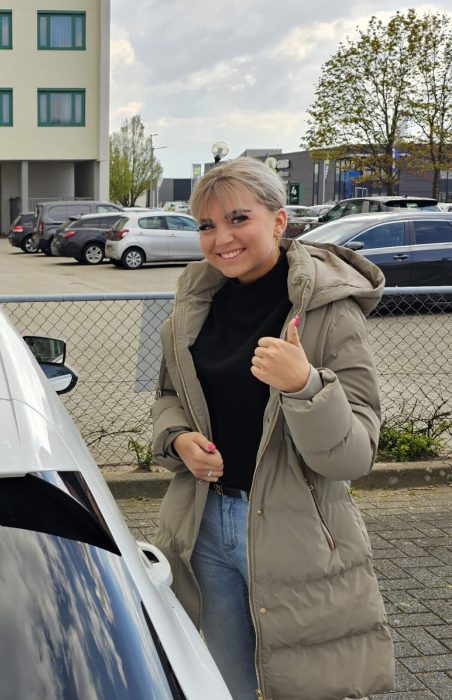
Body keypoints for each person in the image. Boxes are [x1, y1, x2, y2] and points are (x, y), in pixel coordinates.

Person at [151, 157, 394, 699]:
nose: (221, 238)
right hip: (202, 526)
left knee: (305, 687)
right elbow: (168, 398)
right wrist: (178, 440)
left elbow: (354, 456)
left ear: (279, 221)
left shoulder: (330, 312)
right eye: (207, 225)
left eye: (239, 218)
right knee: (222, 684)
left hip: (297, 531)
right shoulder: (192, 305)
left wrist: (306, 386)